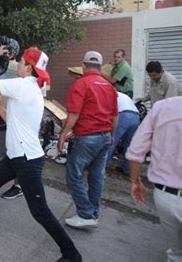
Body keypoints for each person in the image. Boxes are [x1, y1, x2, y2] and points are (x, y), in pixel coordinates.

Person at [0, 46, 82, 262]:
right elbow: (14, 121)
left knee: (39, 211)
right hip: (18, 156)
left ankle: (71, 254)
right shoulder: (31, 88)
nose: (19, 66)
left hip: (27, 159)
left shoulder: (23, 85)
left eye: (22, 62)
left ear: (29, 68)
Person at [58, 51, 118, 229]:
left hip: (86, 137)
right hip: (105, 136)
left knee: (74, 176)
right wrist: (112, 136)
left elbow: (74, 113)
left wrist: (63, 134)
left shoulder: (81, 84)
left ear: (83, 66)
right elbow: (115, 117)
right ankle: (93, 214)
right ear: (100, 68)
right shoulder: (109, 87)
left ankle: (85, 214)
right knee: (96, 177)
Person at [126, 96, 182, 261]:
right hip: (167, 196)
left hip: (167, 198)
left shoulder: (162, 107)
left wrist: (135, 181)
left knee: (176, 252)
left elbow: (135, 151)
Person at [105, 92, 140, 176]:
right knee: (128, 146)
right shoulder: (122, 95)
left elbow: (108, 112)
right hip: (136, 117)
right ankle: (127, 169)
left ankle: (100, 168)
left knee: (111, 142)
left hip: (123, 115)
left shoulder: (108, 94)